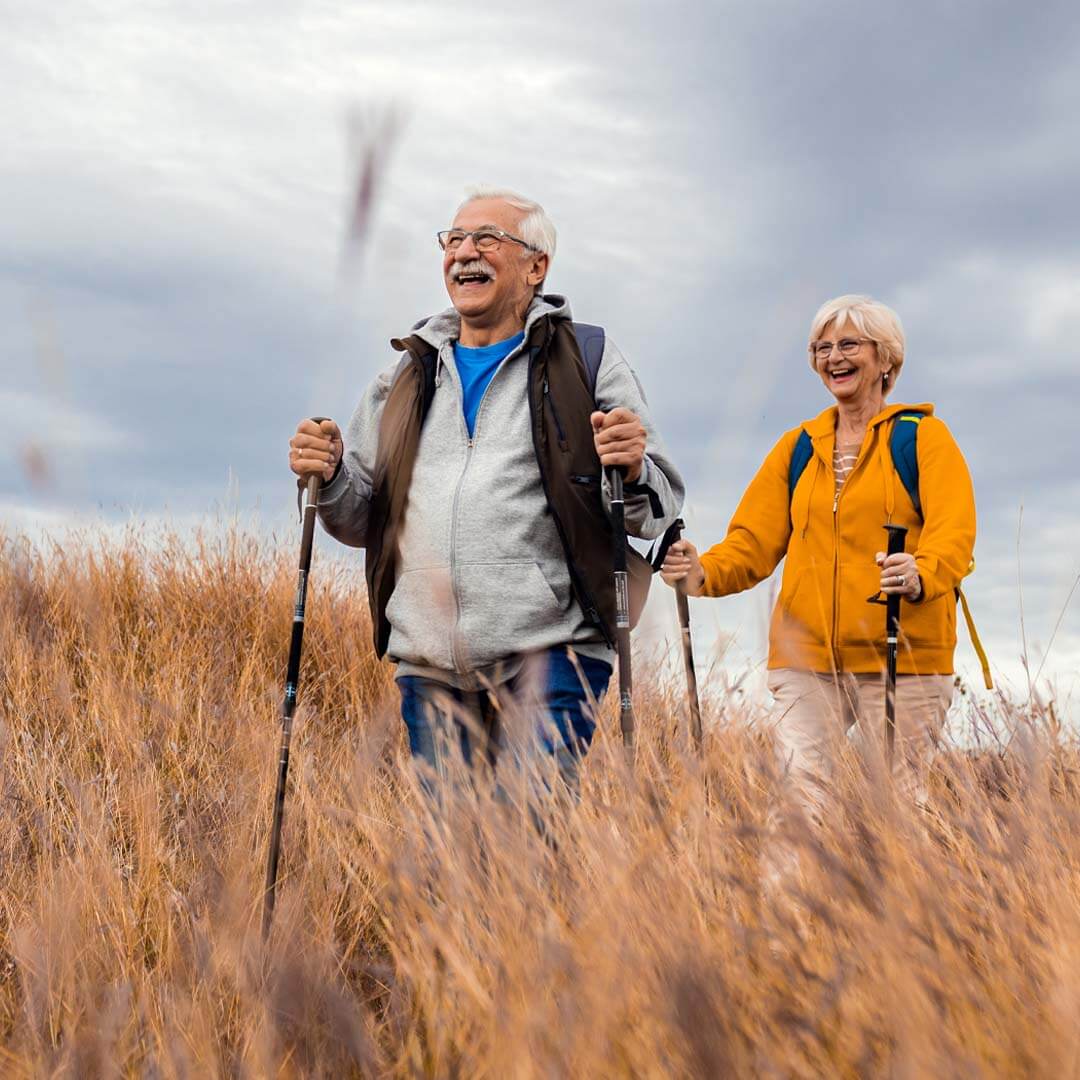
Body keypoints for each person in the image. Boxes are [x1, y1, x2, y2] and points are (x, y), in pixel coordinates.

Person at [290, 187, 683, 794]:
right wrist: (330, 473)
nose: (464, 253)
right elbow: (358, 515)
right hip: (429, 663)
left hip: (552, 652)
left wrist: (630, 469)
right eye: (453, 240)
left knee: (525, 842)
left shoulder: (587, 359)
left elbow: (659, 506)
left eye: (487, 239)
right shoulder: (405, 372)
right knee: (451, 862)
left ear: (536, 266)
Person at [661, 294, 978, 808]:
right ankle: (788, 894)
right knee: (800, 803)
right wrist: (701, 573)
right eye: (821, 347)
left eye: (849, 344)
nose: (833, 357)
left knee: (899, 807)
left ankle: (899, 892)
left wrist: (921, 572)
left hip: (905, 652)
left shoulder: (923, 440)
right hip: (805, 658)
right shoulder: (799, 446)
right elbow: (751, 543)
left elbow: (954, 532)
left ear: (886, 358)